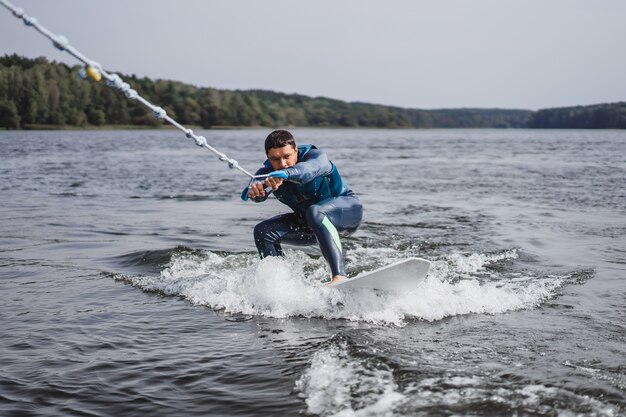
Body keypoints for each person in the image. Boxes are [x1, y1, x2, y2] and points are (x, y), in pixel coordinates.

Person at [247, 130, 363, 284]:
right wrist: (257, 193)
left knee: (315, 211)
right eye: (275, 159)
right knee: (263, 231)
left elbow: (308, 170)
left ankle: (339, 276)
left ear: (296, 150)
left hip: (347, 212)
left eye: (287, 156)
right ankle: (279, 284)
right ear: (268, 158)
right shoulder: (267, 174)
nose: (282, 164)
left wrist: (286, 174)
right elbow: (255, 190)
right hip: (312, 224)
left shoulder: (316, 157)